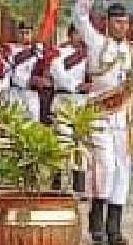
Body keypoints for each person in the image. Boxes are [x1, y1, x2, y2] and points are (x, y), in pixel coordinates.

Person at [72, 0, 133, 245]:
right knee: (104, 168)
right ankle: (97, 225)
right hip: (99, 116)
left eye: (126, 22)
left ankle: (114, 228)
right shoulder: (96, 43)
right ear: (107, 23)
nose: (122, 27)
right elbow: (80, 17)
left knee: (122, 170)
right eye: (117, 22)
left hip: (124, 119)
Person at [50, 24, 92, 190]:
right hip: (63, 100)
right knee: (62, 141)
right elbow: (58, 75)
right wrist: (77, 85)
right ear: (70, 34)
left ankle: (79, 185)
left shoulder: (89, 54)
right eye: (76, 33)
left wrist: (90, 86)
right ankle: (57, 182)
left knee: (81, 144)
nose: (79, 37)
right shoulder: (58, 52)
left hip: (82, 103)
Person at [5, 22, 45, 121]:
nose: (24, 36)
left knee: (33, 124)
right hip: (15, 92)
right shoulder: (10, 50)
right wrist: (26, 82)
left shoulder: (38, 50)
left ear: (32, 34)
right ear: (17, 34)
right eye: (21, 33)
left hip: (32, 94)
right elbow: (9, 72)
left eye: (27, 33)